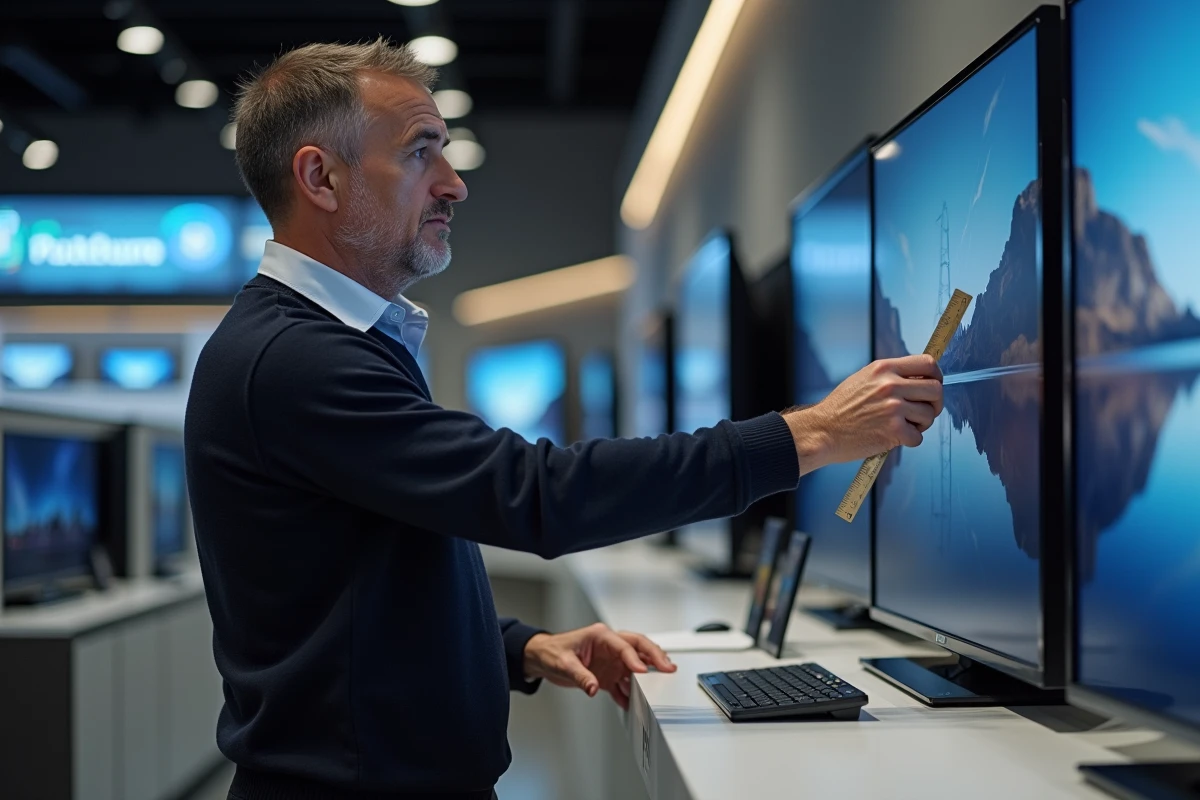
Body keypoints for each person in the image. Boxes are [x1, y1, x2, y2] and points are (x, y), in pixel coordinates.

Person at [185, 39, 944, 800]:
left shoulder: (321, 343)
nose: (454, 185)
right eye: (422, 155)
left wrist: (518, 648)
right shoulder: (295, 358)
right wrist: (811, 433)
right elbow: (532, 494)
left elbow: (367, 578)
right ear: (321, 177)